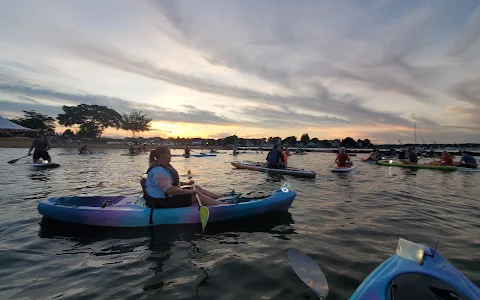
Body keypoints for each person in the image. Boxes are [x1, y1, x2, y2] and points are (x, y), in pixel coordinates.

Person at [142, 146, 224, 208]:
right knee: (196, 195)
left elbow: (169, 183)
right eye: (168, 153)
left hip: (166, 197)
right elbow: (169, 190)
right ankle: (223, 205)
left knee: (196, 188)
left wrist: (186, 183)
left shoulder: (163, 168)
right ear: (161, 155)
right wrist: (189, 192)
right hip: (160, 201)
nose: (171, 155)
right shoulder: (159, 171)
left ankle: (221, 198)